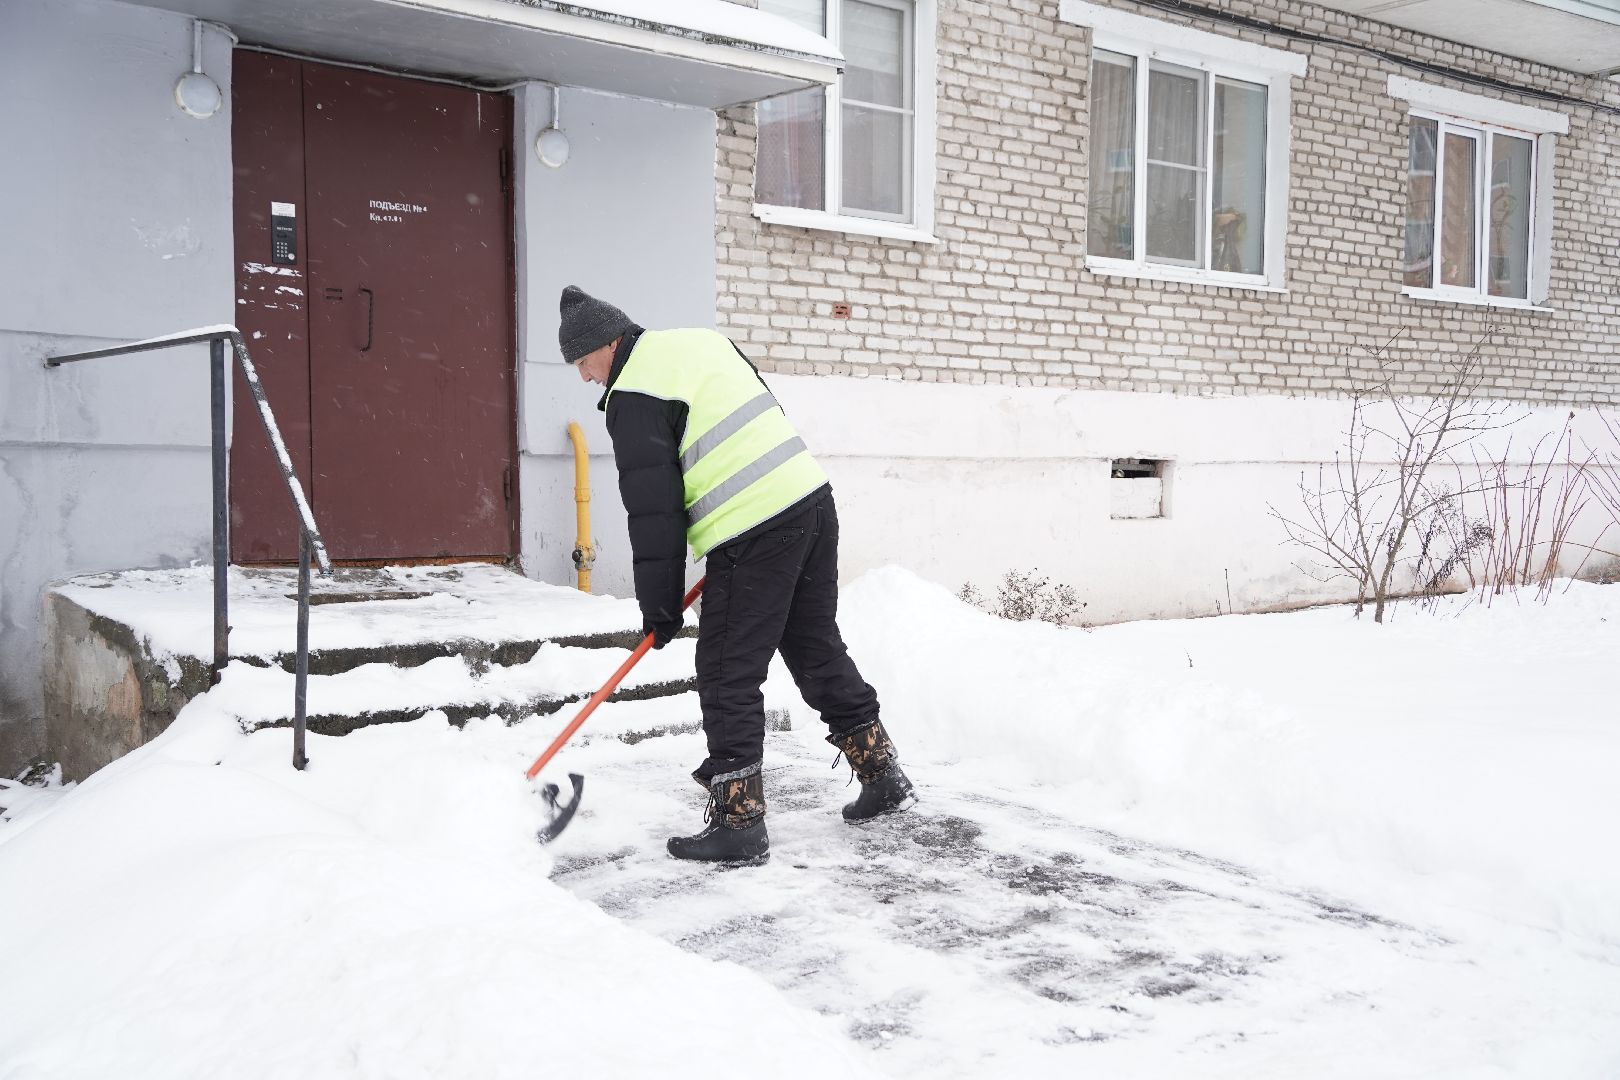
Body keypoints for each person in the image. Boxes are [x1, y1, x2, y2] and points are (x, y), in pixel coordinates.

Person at [558, 285, 915, 865]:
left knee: (727, 670)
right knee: (814, 647)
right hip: (809, 500)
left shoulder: (634, 392)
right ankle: (883, 775)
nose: (584, 376)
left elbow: (655, 512)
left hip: (754, 528)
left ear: (608, 343)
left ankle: (739, 822)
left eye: (582, 361)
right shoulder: (702, 343)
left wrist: (659, 606)